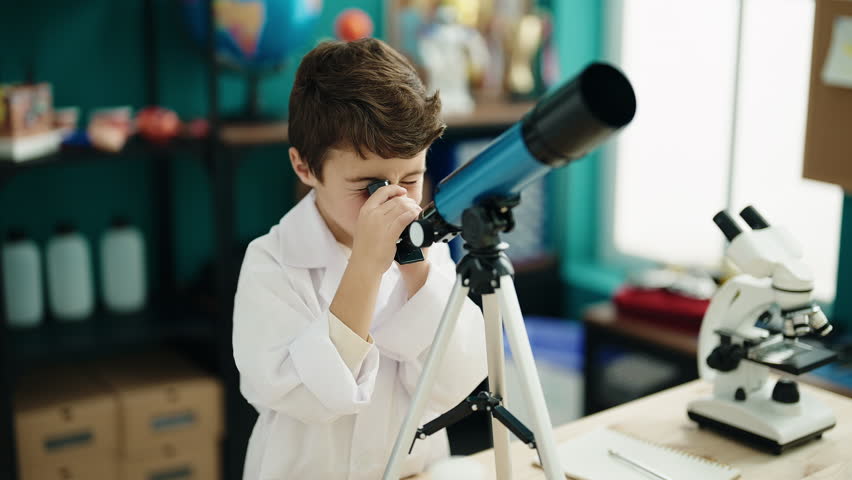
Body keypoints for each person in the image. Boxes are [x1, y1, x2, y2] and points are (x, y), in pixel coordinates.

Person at [233, 38, 487, 480]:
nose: (393, 202)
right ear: (304, 167)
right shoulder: (270, 263)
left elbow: (455, 381)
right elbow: (304, 395)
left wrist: (417, 272)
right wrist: (366, 266)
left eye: (411, 179)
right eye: (368, 187)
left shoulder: (429, 253)